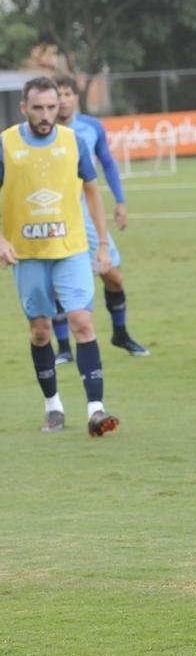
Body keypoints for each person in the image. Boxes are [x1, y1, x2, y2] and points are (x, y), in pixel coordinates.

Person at [0, 76, 119, 436]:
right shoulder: (6, 144)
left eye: (52, 107)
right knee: (40, 331)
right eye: (38, 108)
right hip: (27, 253)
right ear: (24, 108)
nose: (46, 115)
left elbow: (92, 191)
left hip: (71, 249)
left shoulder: (73, 142)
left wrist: (100, 244)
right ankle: (53, 406)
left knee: (82, 321)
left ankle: (96, 410)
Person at [51, 75, 150, 363]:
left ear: (75, 97)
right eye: (58, 95)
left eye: (68, 93)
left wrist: (120, 201)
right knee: (57, 282)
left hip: (86, 213)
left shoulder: (91, 127)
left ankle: (120, 333)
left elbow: (106, 161)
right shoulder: (43, 133)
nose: (63, 100)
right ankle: (64, 348)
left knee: (113, 275)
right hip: (55, 215)